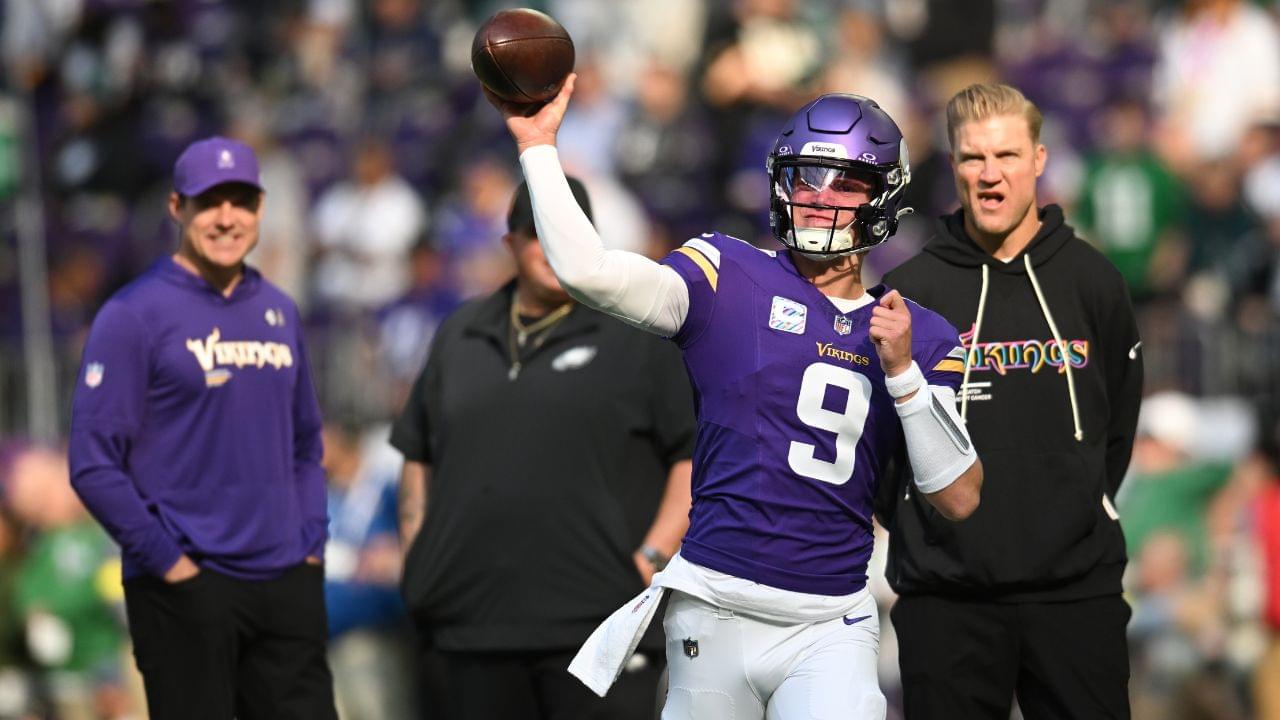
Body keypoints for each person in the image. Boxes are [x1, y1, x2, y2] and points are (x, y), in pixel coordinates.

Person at [483, 77, 983, 719]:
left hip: (829, 621)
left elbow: (960, 497)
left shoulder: (920, 333)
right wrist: (538, 146)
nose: (820, 197)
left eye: (846, 182)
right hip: (714, 610)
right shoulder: (727, 275)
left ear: (882, 198)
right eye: (807, 177)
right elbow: (590, 273)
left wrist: (906, 375)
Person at [880, 83, 1144, 719]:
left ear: (1040, 159)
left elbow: (1117, 428)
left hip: (1075, 593)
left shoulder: (1094, 281)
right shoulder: (910, 289)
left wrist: (1073, 505)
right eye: (973, 158)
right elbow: (885, 447)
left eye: (1006, 156)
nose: (990, 176)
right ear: (953, 166)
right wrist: (929, 527)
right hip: (948, 599)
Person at [389, 175, 697, 720]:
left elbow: (691, 454)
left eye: (566, 232)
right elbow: (417, 449)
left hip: (597, 625)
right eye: (537, 233)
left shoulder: (635, 332)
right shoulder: (460, 331)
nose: (552, 246)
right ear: (509, 243)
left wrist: (650, 558)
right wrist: (419, 550)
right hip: (471, 623)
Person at [67, 136, 337, 720]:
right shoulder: (133, 315)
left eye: (240, 200)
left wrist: (310, 545)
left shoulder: (279, 311)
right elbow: (92, 463)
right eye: (209, 201)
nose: (226, 217)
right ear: (176, 208)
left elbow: (305, 445)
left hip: (285, 581)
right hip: (186, 585)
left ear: (260, 209)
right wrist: (172, 565)